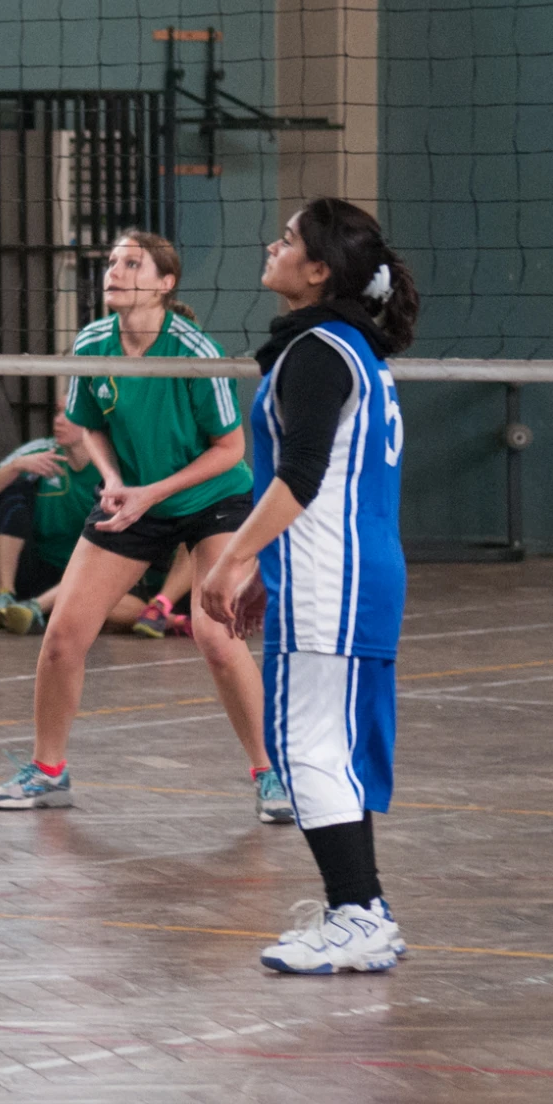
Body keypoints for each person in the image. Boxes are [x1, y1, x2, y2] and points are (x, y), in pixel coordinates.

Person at [0, 229, 295, 824]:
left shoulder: (197, 353)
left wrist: (153, 492)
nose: (115, 271)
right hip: (133, 495)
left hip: (211, 498)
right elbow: (87, 425)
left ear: (165, 283)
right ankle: (48, 773)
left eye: (132, 263)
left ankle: (271, 773)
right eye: (112, 263)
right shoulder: (94, 342)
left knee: (216, 639)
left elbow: (229, 449)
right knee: (64, 635)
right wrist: (115, 480)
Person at [199, 200, 416, 975]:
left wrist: (230, 561)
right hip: (352, 569)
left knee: (307, 747)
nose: (272, 244)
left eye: (287, 239)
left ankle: (355, 914)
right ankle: (363, 911)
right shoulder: (349, 348)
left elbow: (301, 475)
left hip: (333, 575)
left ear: (318, 270)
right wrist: (266, 566)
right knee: (330, 746)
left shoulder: (319, 349)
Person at [0, 392, 193, 637]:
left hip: (102, 571)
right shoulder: (42, 452)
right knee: (10, 488)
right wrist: (15, 467)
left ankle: (163, 616)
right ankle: (5, 594)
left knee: (103, 589)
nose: (59, 420)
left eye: (69, 413)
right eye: (57, 411)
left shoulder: (121, 464)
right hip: (47, 572)